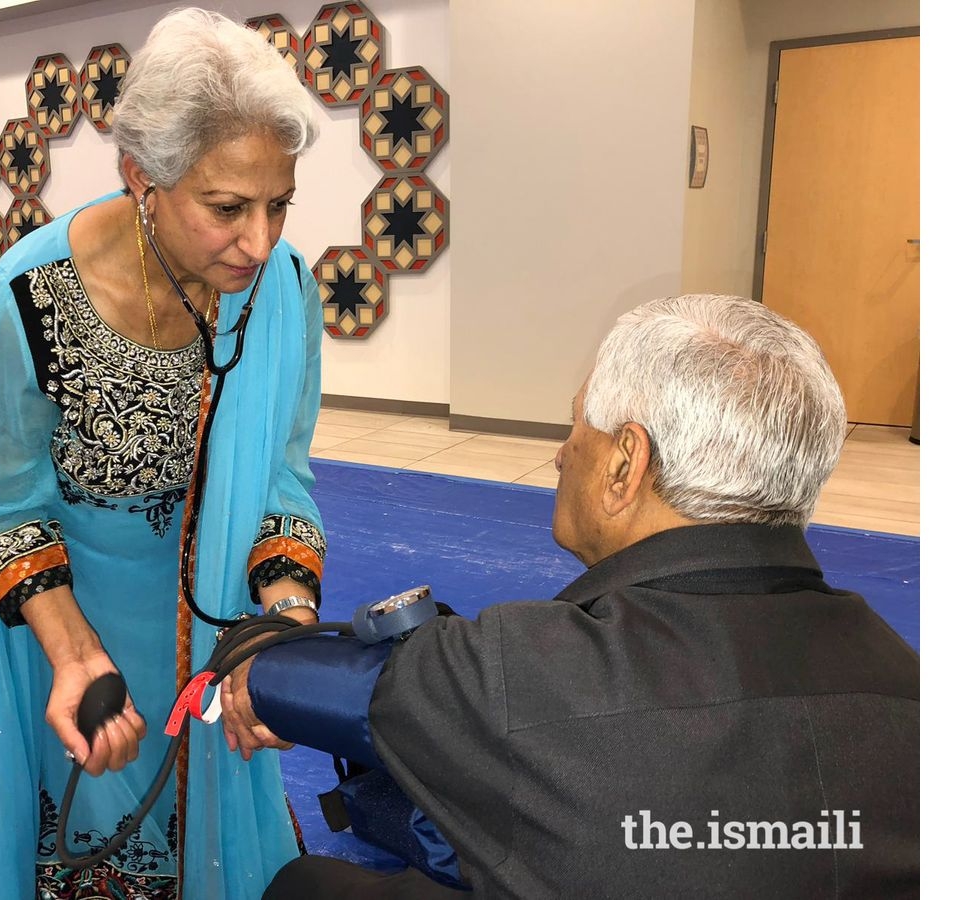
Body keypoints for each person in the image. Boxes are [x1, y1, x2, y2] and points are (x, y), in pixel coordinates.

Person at [236, 295, 920, 898]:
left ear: (625, 465)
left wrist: (266, 640)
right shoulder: (909, 685)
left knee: (306, 882)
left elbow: (271, 676)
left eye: (575, 428)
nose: (562, 454)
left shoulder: (522, 674)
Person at [0, 9, 327, 899]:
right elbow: (2, 511)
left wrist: (283, 621)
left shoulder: (285, 288)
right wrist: (74, 653)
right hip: (79, 645)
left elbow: (283, 475)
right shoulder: (33, 300)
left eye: (280, 204)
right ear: (141, 176)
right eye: (227, 208)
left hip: (220, 648)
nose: (261, 242)